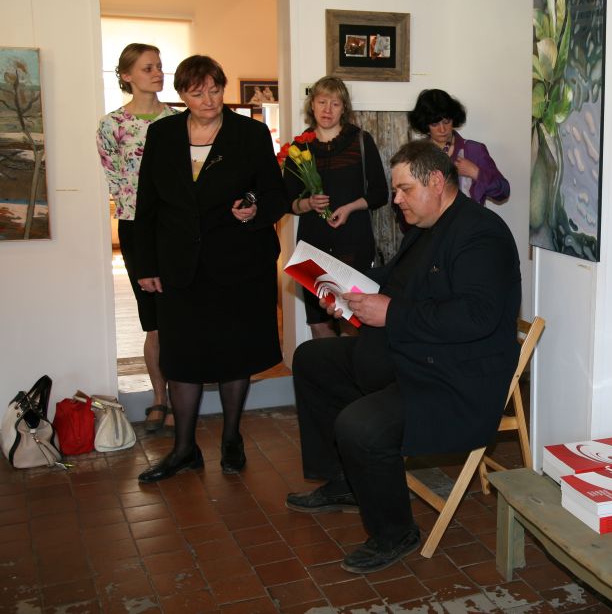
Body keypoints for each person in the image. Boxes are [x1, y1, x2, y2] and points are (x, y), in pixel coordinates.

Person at [284, 140, 521, 574]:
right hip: (413, 350)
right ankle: (344, 480)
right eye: (395, 190)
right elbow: (392, 281)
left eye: (404, 189)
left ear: (437, 182)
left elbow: (477, 316)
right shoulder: (426, 225)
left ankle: (395, 532)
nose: (396, 199)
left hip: (454, 377)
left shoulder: (481, 234)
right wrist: (346, 292)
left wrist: (390, 312)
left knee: (360, 425)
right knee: (312, 359)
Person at [133, 55, 288, 483]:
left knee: (234, 355)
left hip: (238, 265)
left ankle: (231, 438)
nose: (208, 99)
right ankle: (184, 449)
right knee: (181, 357)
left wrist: (254, 209)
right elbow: (146, 204)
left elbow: (275, 194)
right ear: (181, 95)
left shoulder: (249, 134)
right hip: (179, 267)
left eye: (215, 90)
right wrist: (145, 264)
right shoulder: (162, 134)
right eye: (197, 92)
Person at [96, 43, 179, 434]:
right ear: (127, 75)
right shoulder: (111, 125)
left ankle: (182, 397)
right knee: (154, 321)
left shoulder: (179, 120)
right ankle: (159, 397)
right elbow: (117, 181)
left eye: (159, 66)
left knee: (181, 316)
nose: (157, 73)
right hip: (136, 228)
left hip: (177, 228)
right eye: (148, 68)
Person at [284, 76, 389, 339]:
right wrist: (308, 203)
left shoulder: (361, 141)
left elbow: (380, 194)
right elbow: (287, 202)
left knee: (351, 322)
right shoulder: (299, 147)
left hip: (353, 243)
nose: (327, 110)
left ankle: (351, 369)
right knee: (319, 325)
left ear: (344, 108)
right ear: (312, 105)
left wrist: (350, 207)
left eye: (335, 103)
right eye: (322, 102)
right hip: (312, 246)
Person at [407, 89, 510, 204]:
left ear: (454, 119)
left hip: (469, 215)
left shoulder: (474, 151)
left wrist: (476, 173)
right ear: (425, 125)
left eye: (447, 122)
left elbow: (504, 191)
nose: (442, 129)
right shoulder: (416, 155)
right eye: (435, 124)